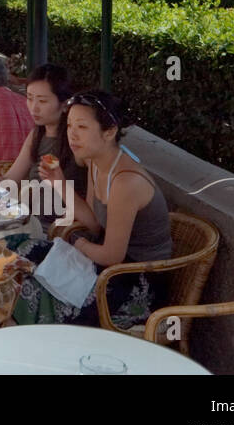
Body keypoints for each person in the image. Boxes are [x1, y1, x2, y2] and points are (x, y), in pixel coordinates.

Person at [15, 89, 173, 329]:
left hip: (134, 282)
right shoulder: (95, 163)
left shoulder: (125, 182)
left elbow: (112, 255)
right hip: (106, 266)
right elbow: (94, 223)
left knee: (32, 284)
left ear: (109, 132)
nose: (72, 135)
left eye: (82, 127)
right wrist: (59, 183)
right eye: (69, 126)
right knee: (18, 250)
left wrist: (77, 245)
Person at [5, 63, 87, 228]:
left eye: (42, 101)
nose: (34, 107)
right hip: (28, 220)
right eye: (29, 98)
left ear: (64, 104)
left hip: (58, 231)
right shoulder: (37, 134)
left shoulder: (76, 142)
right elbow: (10, 179)